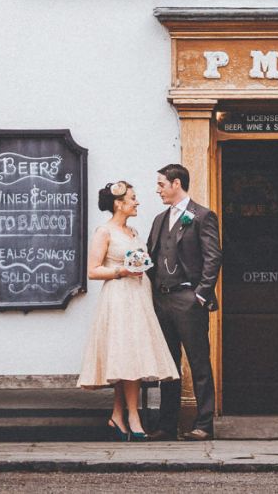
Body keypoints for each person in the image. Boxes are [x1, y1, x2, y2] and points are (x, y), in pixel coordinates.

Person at [77, 180, 179, 441]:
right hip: (119, 298)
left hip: (139, 296)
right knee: (128, 356)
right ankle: (133, 416)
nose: (137, 202)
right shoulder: (105, 232)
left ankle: (117, 414)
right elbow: (92, 270)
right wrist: (122, 270)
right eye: (133, 199)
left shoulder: (133, 231)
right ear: (118, 204)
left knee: (127, 356)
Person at [146, 163, 223, 441]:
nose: (158, 190)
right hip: (162, 299)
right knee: (169, 366)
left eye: (161, 185)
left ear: (176, 183)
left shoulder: (202, 216)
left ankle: (204, 424)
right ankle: (167, 425)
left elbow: (213, 257)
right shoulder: (158, 220)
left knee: (199, 363)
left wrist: (200, 295)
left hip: (188, 299)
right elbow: (151, 257)